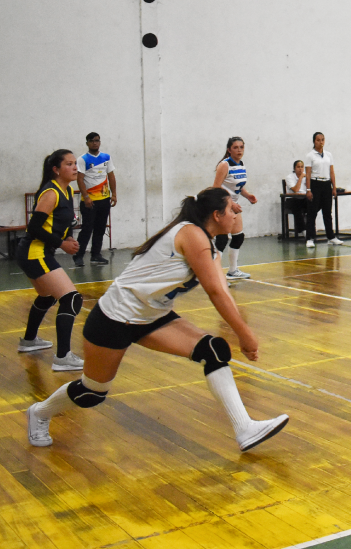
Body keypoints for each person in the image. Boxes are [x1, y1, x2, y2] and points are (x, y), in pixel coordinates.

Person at [25, 188, 289, 451]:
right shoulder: (192, 235)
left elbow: (223, 292)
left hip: (153, 317)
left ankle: (244, 428)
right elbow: (215, 292)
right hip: (115, 318)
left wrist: (242, 331)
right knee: (92, 392)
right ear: (217, 215)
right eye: (232, 208)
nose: (237, 213)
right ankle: (40, 412)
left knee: (213, 349)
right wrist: (244, 334)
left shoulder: (210, 248)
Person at [15, 150, 86, 371]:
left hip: (36, 252)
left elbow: (59, 222)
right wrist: (61, 243)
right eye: (69, 164)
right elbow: (34, 228)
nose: (75, 167)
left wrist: (67, 238)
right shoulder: (51, 193)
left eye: (75, 163)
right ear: (56, 169)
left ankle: (29, 341)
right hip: (34, 252)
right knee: (72, 299)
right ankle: (63, 357)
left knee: (46, 297)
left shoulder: (68, 191)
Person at [213, 137, 258, 279]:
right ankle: (215, 274)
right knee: (222, 239)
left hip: (233, 205)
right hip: (222, 204)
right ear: (229, 150)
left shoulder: (241, 165)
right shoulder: (224, 165)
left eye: (241, 147)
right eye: (236, 147)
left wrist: (247, 195)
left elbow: (238, 186)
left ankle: (232, 271)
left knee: (238, 237)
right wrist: (230, 203)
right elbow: (216, 188)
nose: (239, 150)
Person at [74, 132, 116, 267]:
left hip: (104, 200)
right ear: (87, 143)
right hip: (89, 201)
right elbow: (79, 179)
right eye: (92, 141)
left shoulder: (106, 157)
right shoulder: (82, 159)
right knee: (87, 228)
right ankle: (78, 255)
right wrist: (86, 197)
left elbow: (111, 176)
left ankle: (96, 255)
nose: (95, 143)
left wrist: (113, 194)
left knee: (100, 228)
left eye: (97, 140)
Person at [305, 132, 343, 248]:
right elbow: (308, 174)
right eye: (318, 140)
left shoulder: (328, 155)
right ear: (314, 141)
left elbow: (331, 171)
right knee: (312, 212)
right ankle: (310, 238)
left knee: (327, 212)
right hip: (315, 183)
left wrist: (334, 187)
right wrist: (308, 189)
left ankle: (331, 237)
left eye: (322, 140)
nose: (320, 142)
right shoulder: (310, 156)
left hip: (326, 184)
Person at [284, 159, 308, 234]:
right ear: (294, 168)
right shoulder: (289, 177)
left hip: (303, 198)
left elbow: (310, 189)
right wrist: (300, 178)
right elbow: (296, 190)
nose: (300, 169)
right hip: (292, 200)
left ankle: (310, 228)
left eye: (302, 167)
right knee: (297, 206)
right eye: (298, 167)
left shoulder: (306, 176)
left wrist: (308, 179)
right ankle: (303, 230)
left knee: (313, 204)